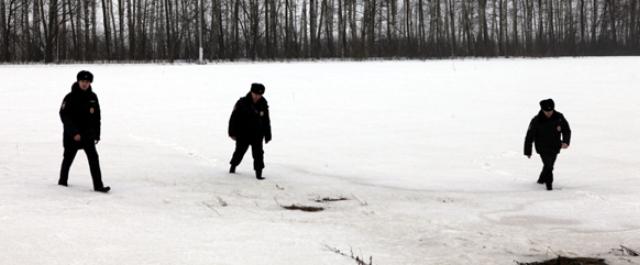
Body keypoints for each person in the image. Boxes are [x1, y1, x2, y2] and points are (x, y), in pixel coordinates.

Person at [58, 70, 110, 193]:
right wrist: (74, 133)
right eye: (82, 81)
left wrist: (97, 134)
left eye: (87, 82)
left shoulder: (93, 97)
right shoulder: (69, 97)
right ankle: (62, 182)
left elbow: (97, 117)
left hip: (88, 134)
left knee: (94, 159)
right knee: (68, 159)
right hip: (73, 136)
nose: (85, 84)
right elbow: (64, 115)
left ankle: (98, 186)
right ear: (78, 81)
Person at [524, 98, 571, 191]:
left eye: (551, 111)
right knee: (548, 165)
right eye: (546, 111)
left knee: (549, 166)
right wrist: (528, 151)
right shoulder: (536, 120)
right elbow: (529, 136)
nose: (549, 113)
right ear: (542, 109)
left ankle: (541, 180)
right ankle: (549, 186)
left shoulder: (559, 117)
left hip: (555, 146)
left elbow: (566, 130)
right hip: (542, 147)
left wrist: (566, 141)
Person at [228, 83, 272, 180]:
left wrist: (268, 134)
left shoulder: (263, 103)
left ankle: (259, 173)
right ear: (251, 92)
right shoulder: (241, 102)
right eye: (255, 94)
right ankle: (233, 167)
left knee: (258, 154)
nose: (257, 96)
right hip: (243, 133)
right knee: (239, 152)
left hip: (257, 134)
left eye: (260, 95)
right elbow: (233, 118)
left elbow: (266, 120)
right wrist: (232, 132)